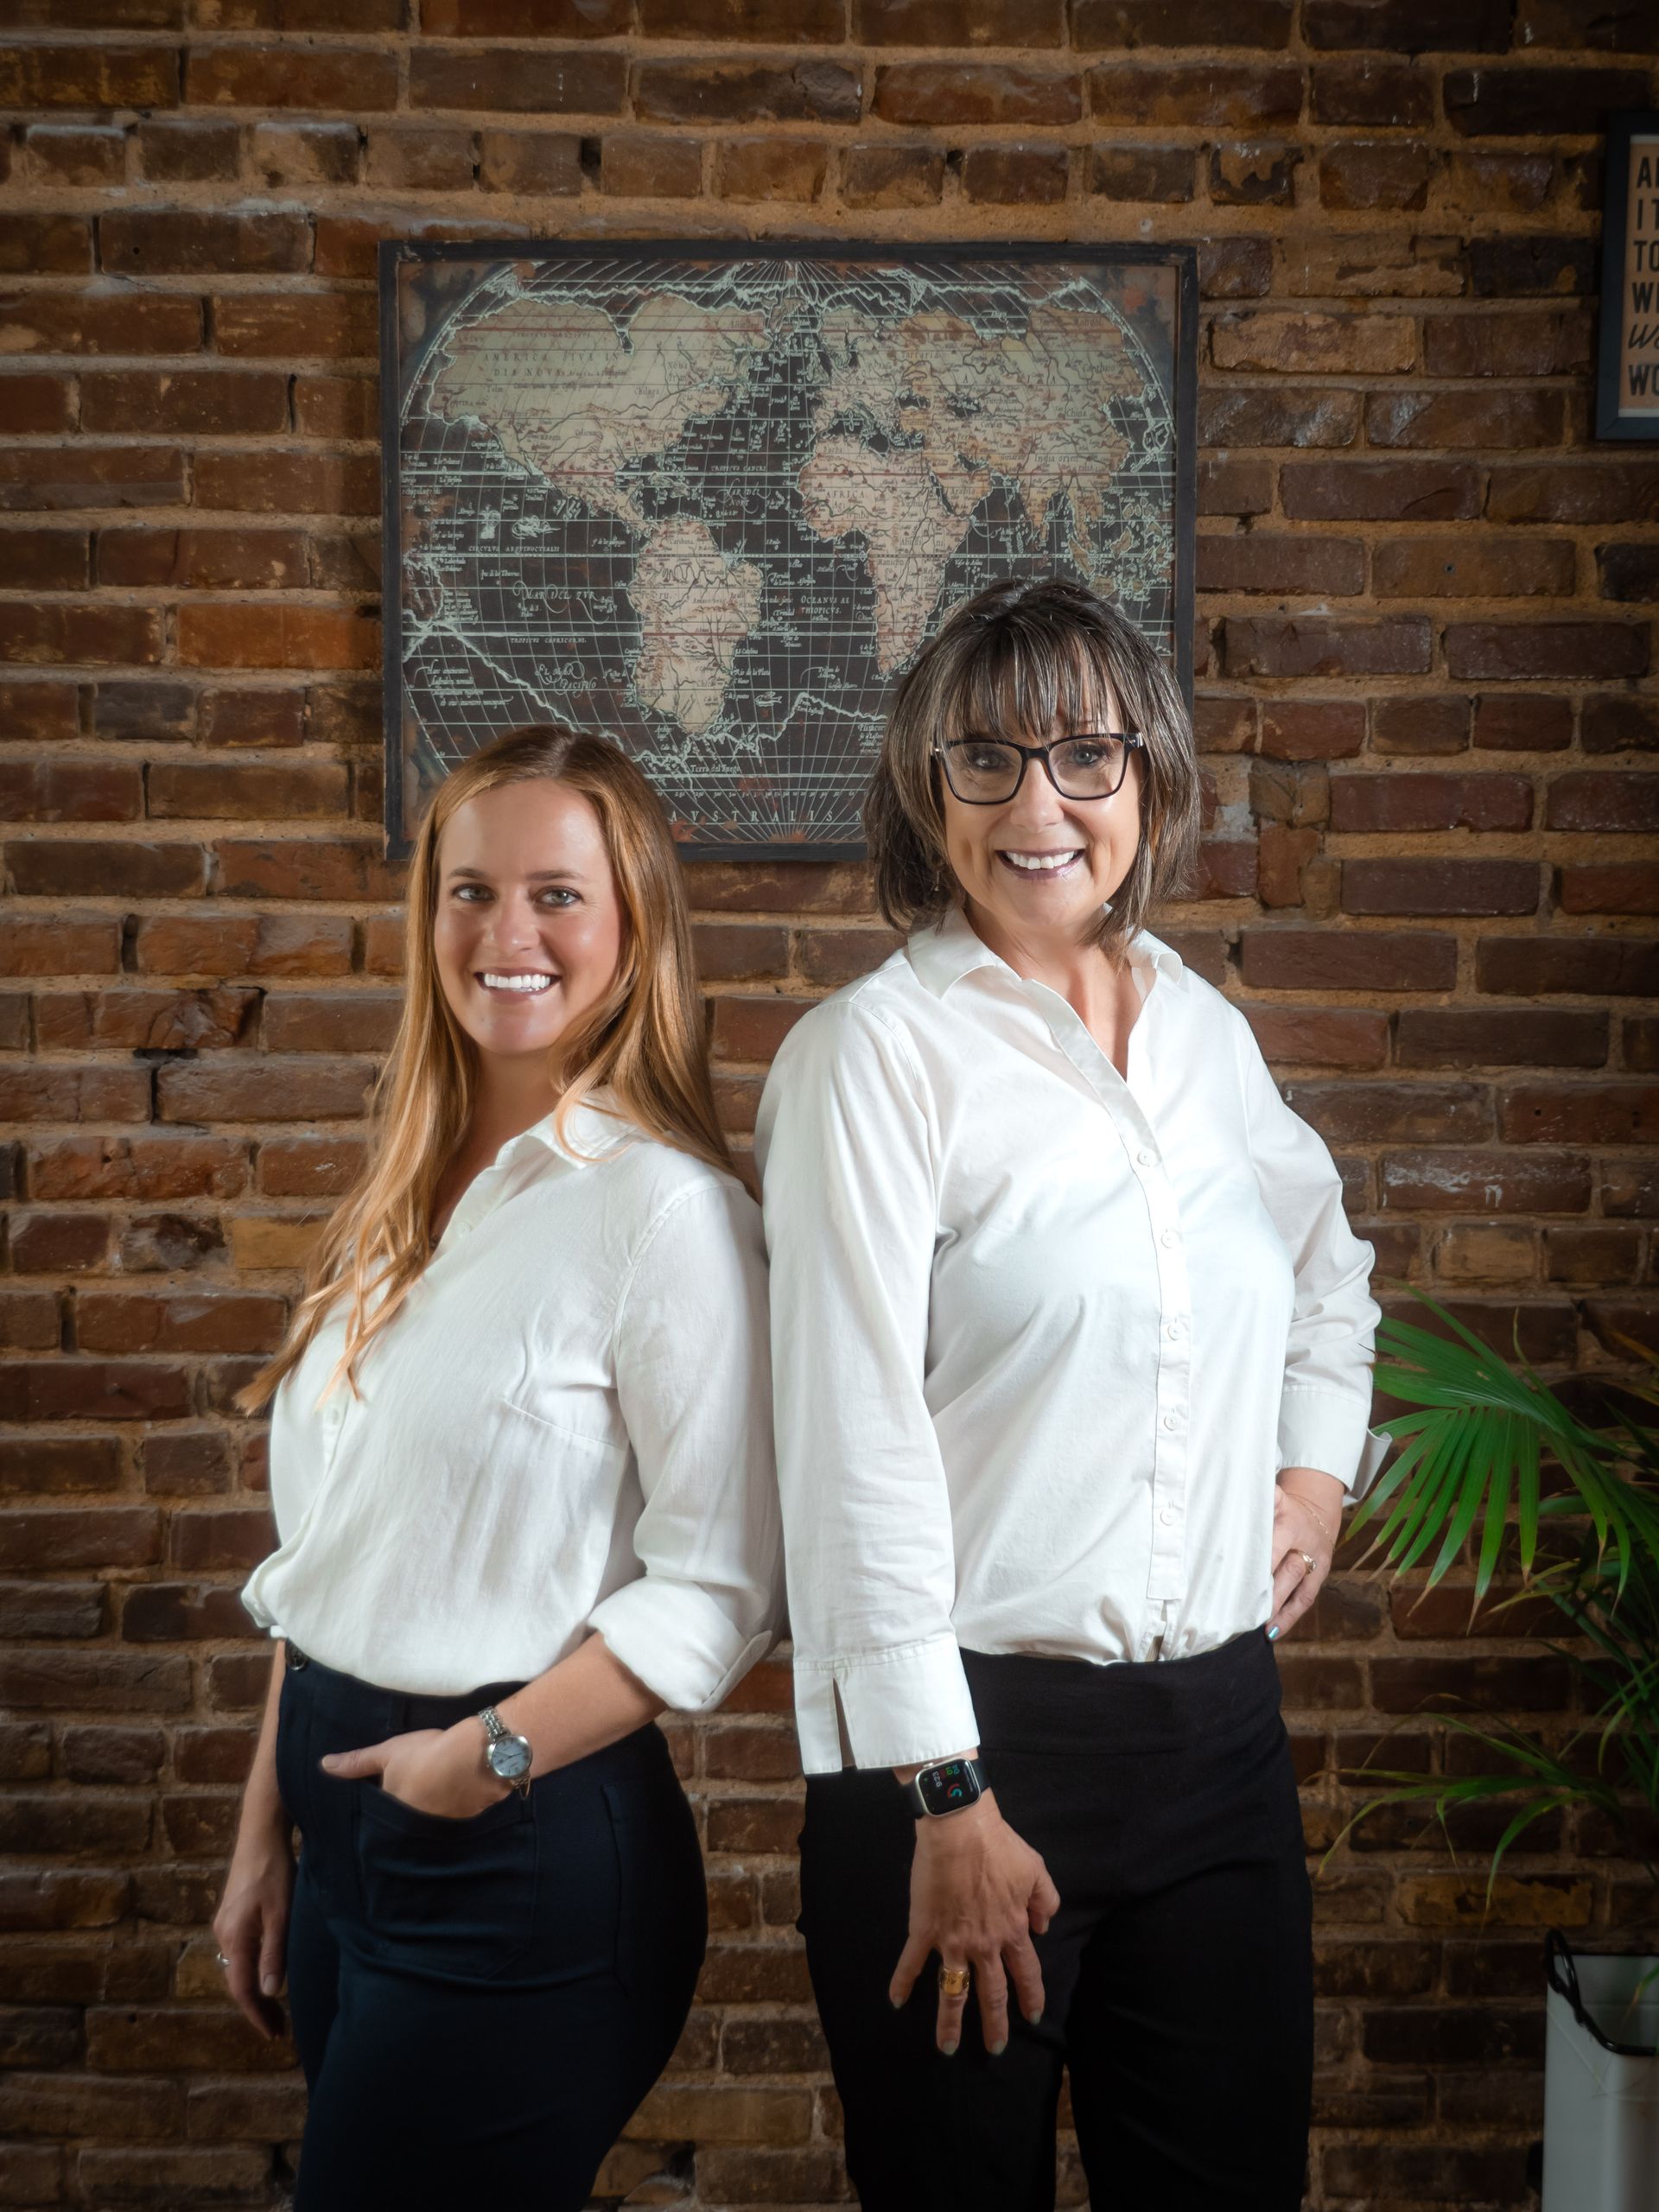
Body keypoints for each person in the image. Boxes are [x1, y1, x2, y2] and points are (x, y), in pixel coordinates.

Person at [756, 577, 1382, 2211]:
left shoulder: (1202, 1034)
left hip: (1221, 1750)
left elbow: (1329, 1270)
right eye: (988, 760)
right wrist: (948, 1797)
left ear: (1150, 778)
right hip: (965, 1753)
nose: (1042, 806)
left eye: (1086, 756)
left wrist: (1313, 1477)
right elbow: (850, 1444)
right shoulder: (870, 1057)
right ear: (927, 789)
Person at [213, 727, 780, 2212]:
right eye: (470, 892)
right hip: (342, 1827)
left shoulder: (668, 1214)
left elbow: (722, 1589)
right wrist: (268, 1832)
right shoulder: (404, 1194)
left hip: (515, 1851)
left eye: (556, 895)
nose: (505, 934)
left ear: (635, 925)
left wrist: (484, 1763)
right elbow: (332, 1546)